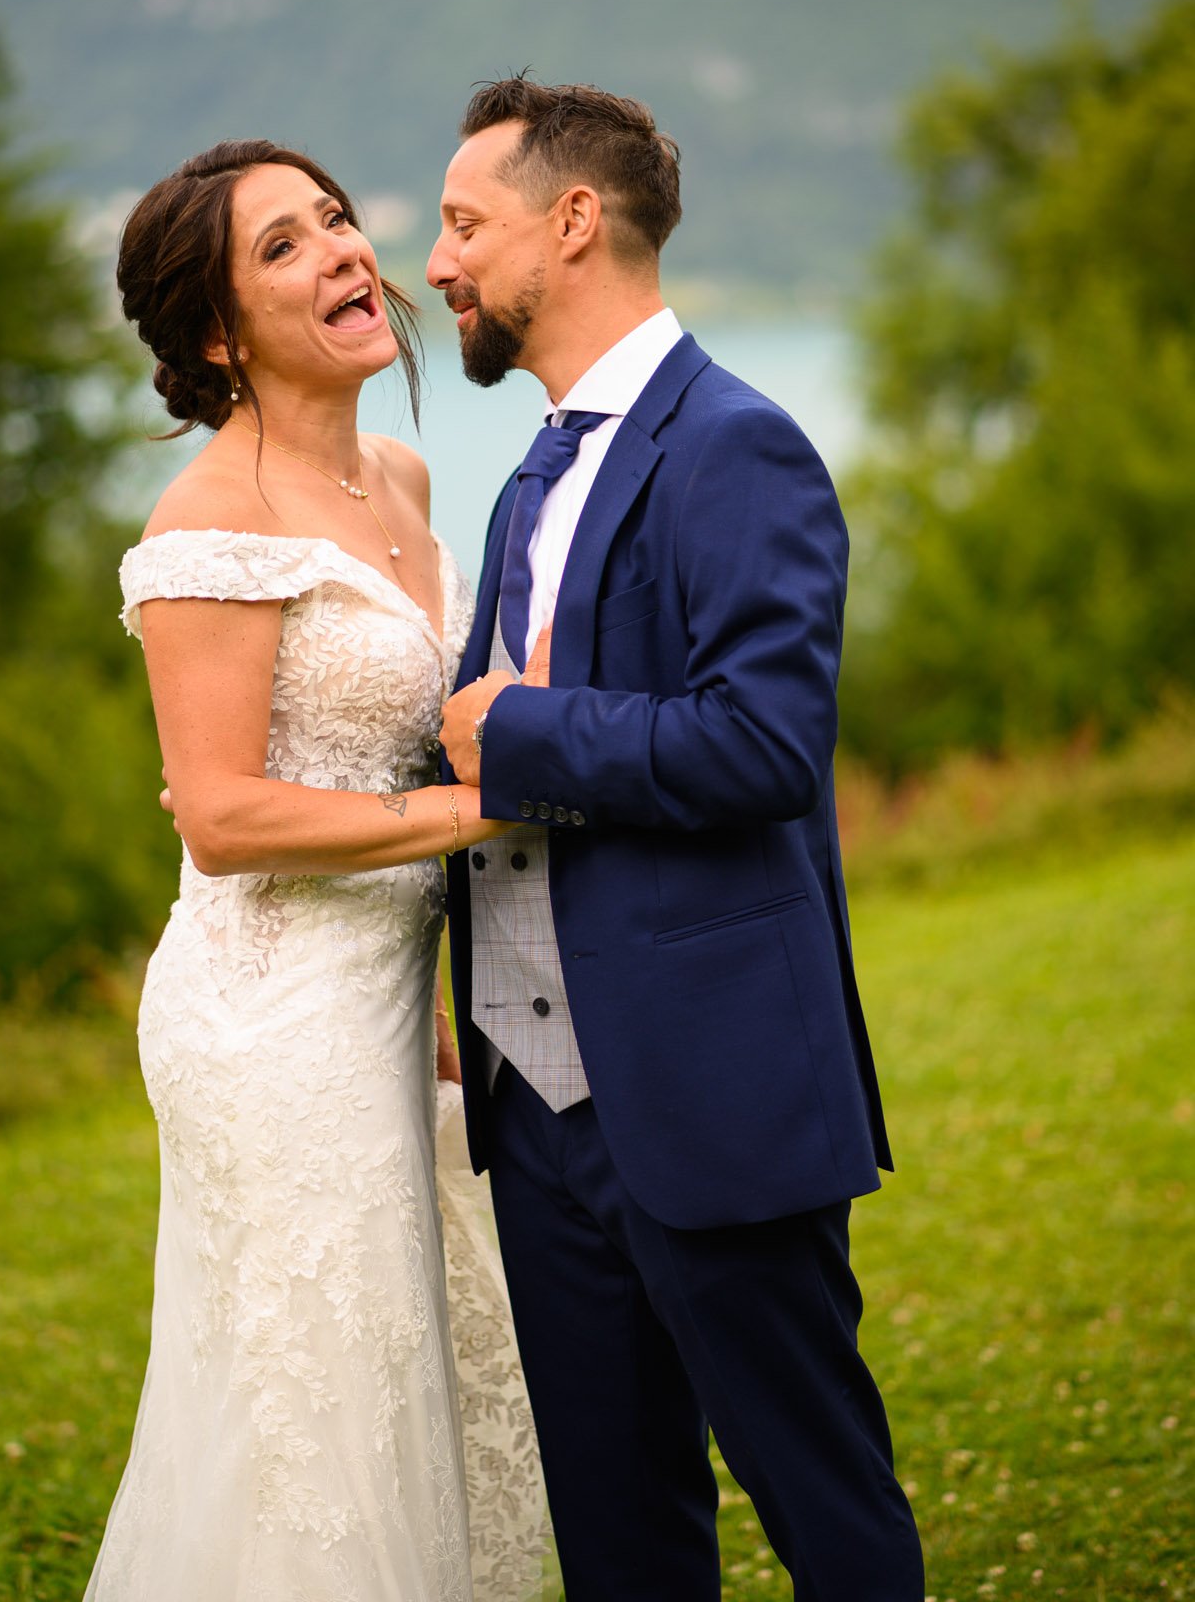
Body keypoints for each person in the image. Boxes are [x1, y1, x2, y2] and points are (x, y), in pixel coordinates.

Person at [432, 78, 925, 1601]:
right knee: (621, 1536)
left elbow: (763, 745)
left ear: (571, 221)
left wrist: (510, 734)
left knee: (819, 1502)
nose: (436, 262)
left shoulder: (735, 445)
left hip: (707, 1086)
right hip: (531, 1107)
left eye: (461, 224)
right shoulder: (530, 464)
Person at [87, 140, 548, 1602]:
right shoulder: (206, 525)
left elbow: (397, 753)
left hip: (384, 999)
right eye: (282, 247)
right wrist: (486, 809)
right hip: (268, 1022)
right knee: (319, 1407)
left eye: (337, 221)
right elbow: (223, 818)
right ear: (218, 335)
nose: (344, 253)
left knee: (408, 1381)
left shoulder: (401, 474)